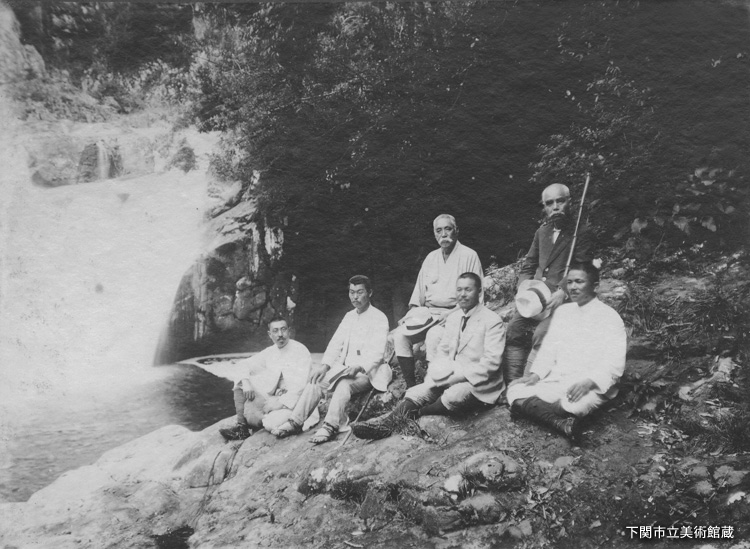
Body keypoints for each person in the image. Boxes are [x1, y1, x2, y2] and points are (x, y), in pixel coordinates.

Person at [351, 272, 504, 440]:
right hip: (453, 374)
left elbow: (491, 363)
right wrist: (438, 373)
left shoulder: (492, 321)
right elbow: (443, 351)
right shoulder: (454, 318)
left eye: (468, 289)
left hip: (480, 383)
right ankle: (385, 424)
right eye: (459, 289)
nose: (462, 294)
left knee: (455, 395)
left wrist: (457, 378)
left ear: (479, 292)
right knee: (419, 390)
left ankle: (417, 414)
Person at [507, 262, 626, 441]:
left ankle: (535, 410)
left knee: (573, 406)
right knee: (514, 390)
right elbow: (549, 350)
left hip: (587, 383)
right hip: (558, 378)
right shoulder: (563, 311)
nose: (573, 287)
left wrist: (589, 382)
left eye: (579, 282)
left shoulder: (610, 317)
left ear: (595, 286)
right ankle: (559, 422)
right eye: (569, 282)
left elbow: (614, 364)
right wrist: (536, 375)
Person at [269, 275, 390, 444]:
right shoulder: (349, 316)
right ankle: (295, 421)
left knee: (344, 384)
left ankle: (330, 426)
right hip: (344, 369)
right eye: (351, 292)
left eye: (360, 292)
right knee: (316, 380)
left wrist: (359, 366)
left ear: (370, 293)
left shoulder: (379, 318)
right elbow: (335, 343)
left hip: (369, 373)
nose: (355, 297)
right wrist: (324, 366)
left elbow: (377, 354)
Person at [503, 183, 593, 383]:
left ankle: (526, 385)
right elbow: (528, 266)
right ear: (544, 207)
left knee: (543, 334)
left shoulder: (581, 232)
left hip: (565, 300)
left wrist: (563, 291)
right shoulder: (541, 233)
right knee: (514, 329)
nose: (555, 207)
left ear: (570, 203)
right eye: (549, 203)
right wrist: (523, 289)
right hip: (537, 298)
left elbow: (582, 268)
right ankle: (511, 383)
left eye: (560, 201)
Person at [393, 214, 483, 387]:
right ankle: (411, 388)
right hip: (428, 315)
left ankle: (434, 388)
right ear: (434, 234)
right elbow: (418, 297)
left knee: (434, 336)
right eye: (438, 230)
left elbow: (475, 298)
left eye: (448, 229)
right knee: (399, 336)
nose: (443, 234)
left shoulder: (469, 255)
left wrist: (451, 314)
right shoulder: (430, 258)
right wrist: (411, 315)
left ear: (456, 231)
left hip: (456, 313)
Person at [219, 318, 312, 441]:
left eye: (283, 329)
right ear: (270, 334)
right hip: (274, 398)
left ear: (289, 331)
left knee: (271, 423)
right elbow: (243, 365)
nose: (280, 334)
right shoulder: (270, 352)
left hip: (295, 402)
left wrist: (279, 404)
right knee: (241, 382)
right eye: (275, 331)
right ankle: (242, 428)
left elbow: (301, 386)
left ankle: (266, 419)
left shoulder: (300, 350)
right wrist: (246, 382)